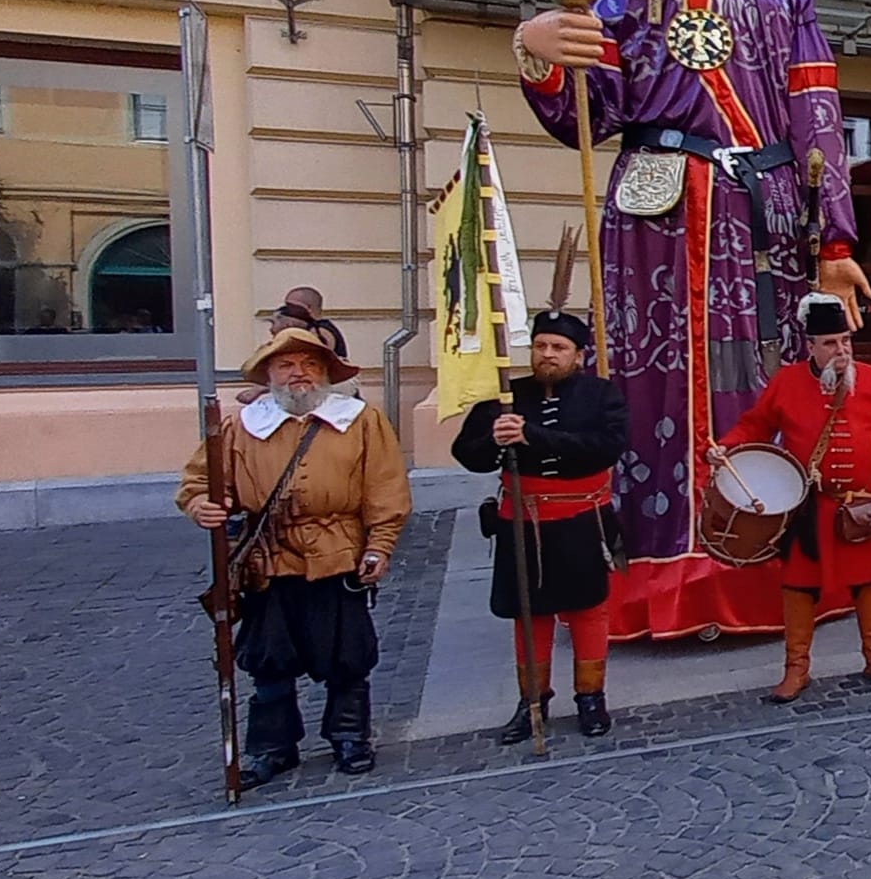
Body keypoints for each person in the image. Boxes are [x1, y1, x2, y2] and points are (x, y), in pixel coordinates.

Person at [512, 0, 864, 639]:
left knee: (762, 389)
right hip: (655, 208)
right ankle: (660, 571)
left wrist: (834, 238)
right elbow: (588, 110)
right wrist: (540, 51)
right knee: (653, 388)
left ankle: (757, 562)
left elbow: (817, 117)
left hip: (760, 213)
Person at [175, 329, 411, 789]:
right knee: (270, 658)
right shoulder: (241, 426)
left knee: (347, 654)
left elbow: (386, 487)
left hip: (338, 552)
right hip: (270, 557)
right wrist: (200, 504)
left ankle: (349, 736)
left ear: (324, 372)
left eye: (309, 364)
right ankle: (272, 747)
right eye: (286, 365)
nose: (298, 374)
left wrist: (379, 544)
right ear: (269, 374)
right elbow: (201, 482)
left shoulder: (361, 421)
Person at [710, 294, 871, 703]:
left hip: (862, 506)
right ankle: (796, 669)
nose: (841, 350)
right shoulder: (787, 383)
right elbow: (753, 426)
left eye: (845, 341)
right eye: (830, 343)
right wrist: (726, 447)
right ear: (810, 346)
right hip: (809, 508)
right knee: (798, 586)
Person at [451, 308, 628, 744]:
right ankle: (532, 700)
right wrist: (495, 440)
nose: (548, 355)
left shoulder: (602, 395)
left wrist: (534, 436)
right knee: (529, 615)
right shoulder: (506, 396)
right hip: (521, 521)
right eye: (541, 346)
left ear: (578, 355)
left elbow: (605, 449)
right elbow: (466, 454)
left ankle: (591, 697)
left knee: (588, 609)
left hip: (580, 519)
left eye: (559, 348)